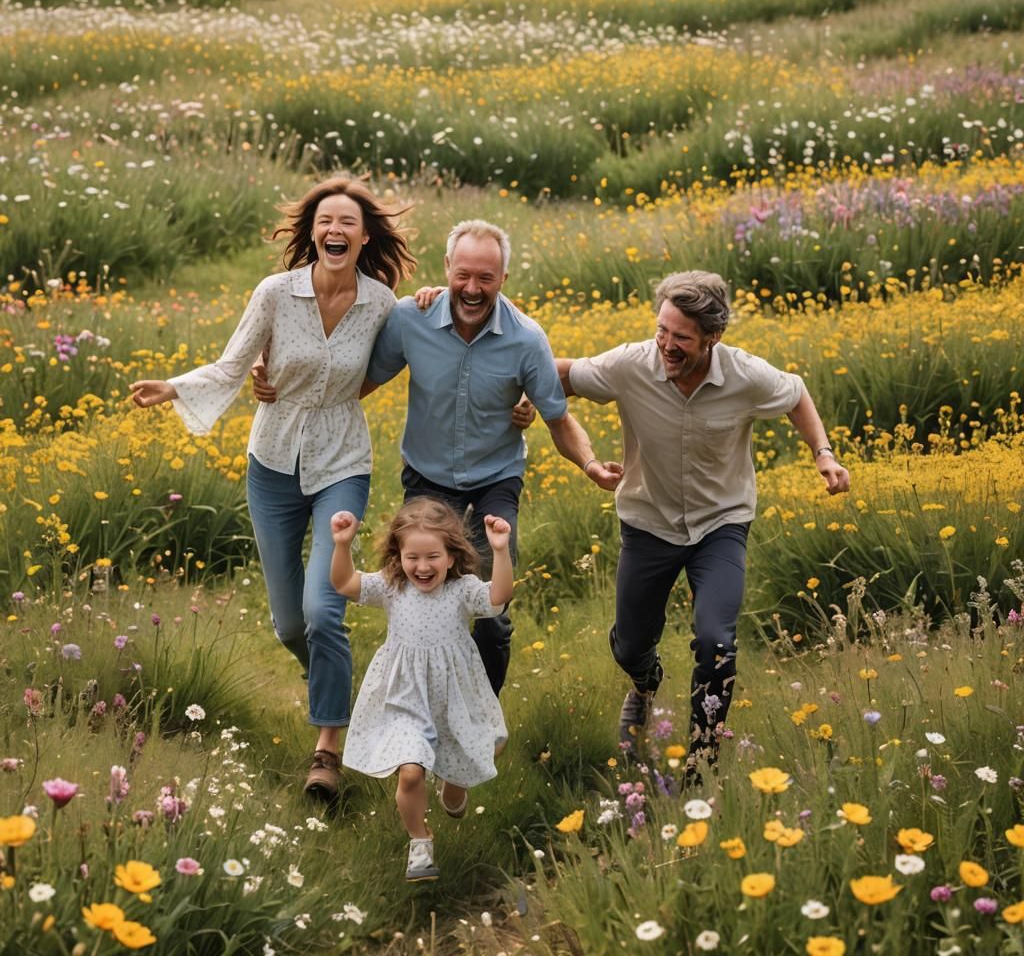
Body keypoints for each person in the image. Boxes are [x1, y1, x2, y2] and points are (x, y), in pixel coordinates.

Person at [129, 176, 417, 802]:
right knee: (291, 625)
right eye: (324, 221)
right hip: (273, 464)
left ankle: (328, 749)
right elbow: (234, 366)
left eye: (347, 222)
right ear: (312, 232)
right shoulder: (274, 293)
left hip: (342, 464)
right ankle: (349, 697)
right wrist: (174, 386)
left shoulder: (381, 304)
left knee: (323, 610)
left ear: (365, 236)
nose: (335, 230)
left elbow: (394, 362)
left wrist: (435, 304)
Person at [256, 219, 621, 696]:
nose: (472, 288)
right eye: (463, 275)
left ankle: (480, 719)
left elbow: (558, 418)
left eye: (485, 279)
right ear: (447, 267)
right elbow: (353, 378)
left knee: (491, 609)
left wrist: (591, 465)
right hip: (426, 479)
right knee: (419, 598)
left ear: (503, 280)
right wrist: (281, 384)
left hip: (496, 478)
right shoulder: (412, 319)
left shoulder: (527, 340)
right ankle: (418, 708)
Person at [557, 270, 850, 776]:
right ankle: (646, 683)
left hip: (721, 523)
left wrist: (822, 454)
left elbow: (797, 394)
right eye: (662, 330)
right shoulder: (631, 364)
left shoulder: (746, 376)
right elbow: (562, 373)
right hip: (648, 521)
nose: (667, 345)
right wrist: (522, 395)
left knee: (717, 642)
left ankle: (702, 759)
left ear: (713, 337)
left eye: (682, 337)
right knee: (630, 644)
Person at [330, 497, 513, 882]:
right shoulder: (392, 587)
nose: (423, 567)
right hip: (404, 699)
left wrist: (499, 551)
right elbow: (345, 583)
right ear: (399, 555)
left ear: (451, 556)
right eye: (413, 557)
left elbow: (498, 598)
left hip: (454, 697)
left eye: (433, 556)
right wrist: (342, 544)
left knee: (474, 752)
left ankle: (453, 787)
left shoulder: (462, 590)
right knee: (410, 772)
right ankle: (420, 842)